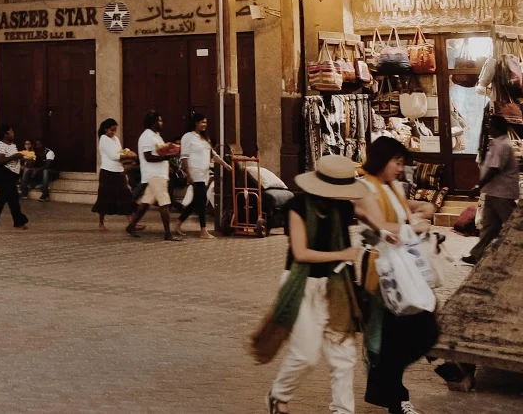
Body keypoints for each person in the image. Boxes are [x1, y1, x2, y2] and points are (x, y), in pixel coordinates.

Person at [253, 153, 369, 414]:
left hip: (336, 286)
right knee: (305, 354)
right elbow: (301, 253)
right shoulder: (298, 206)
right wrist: (343, 254)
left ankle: (343, 411)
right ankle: (278, 395)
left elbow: (371, 213)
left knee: (343, 357)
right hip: (302, 285)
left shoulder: (342, 207)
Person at [356, 136, 440, 413]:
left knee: (418, 329)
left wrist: (420, 209)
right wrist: (411, 229)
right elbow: (378, 224)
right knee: (395, 334)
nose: (400, 169)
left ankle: (389, 385)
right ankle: (396, 397)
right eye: (397, 162)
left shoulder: (389, 185)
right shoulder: (366, 187)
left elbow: (400, 210)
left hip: (403, 265)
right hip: (383, 269)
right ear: (383, 159)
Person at [466, 113, 518, 264]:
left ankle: (516, 255)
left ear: (496, 128)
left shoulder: (503, 145)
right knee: (489, 226)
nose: (488, 128)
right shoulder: (497, 143)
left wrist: (478, 186)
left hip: (502, 193)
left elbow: (494, 169)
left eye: (490, 125)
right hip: (493, 191)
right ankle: (477, 254)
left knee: (511, 225)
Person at [126, 111, 182, 241]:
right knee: (164, 202)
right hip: (154, 174)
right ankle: (168, 233)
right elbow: (148, 157)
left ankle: (132, 225)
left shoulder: (156, 136)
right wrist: (167, 156)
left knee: (146, 202)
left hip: (158, 173)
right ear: (153, 122)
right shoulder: (147, 137)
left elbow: (159, 151)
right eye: (160, 121)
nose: (162, 123)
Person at [176, 112, 232, 239]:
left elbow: (214, 155)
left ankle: (179, 222)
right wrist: (188, 174)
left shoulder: (204, 138)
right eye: (202, 122)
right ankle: (203, 230)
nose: (204, 125)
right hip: (195, 173)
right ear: (196, 123)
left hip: (204, 174)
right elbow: (184, 157)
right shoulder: (188, 137)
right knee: (200, 202)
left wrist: (225, 165)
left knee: (197, 201)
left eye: (205, 122)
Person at [0, 124, 29, 229]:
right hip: (5, 173)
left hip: (13, 174)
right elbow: (0, 160)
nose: (13, 133)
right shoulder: (1, 144)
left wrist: (21, 158)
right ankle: (19, 221)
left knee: (3, 197)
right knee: (13, 198)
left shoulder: (12, 145)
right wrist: (14, 156)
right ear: (5, 134)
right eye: (11, 131)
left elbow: (14, 158)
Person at [93, 118, 136, 232]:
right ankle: (101, 223)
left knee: (126, 196)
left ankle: (132, 223)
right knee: (104, 197)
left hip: (118, 171)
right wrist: (128, 156)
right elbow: (114, 156)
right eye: (111, 130)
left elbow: (120, 152)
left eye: (114, 130)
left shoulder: (116, 139)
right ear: (106, 129)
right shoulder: (103, 139)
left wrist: (126, 156)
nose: (113, 133)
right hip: (107, 171)